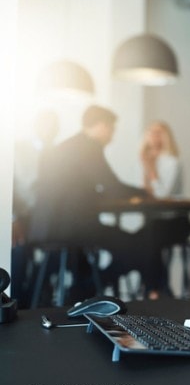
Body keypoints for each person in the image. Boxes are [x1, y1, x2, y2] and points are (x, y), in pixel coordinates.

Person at [29, 105, 158, 302]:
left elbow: (72, 188)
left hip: (46, 228)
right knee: (138, 244)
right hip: (74, 228)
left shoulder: (64, 147)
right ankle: (94, 289)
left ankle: (82, 290)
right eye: (112, 129)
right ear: (101, 126)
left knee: (114, 247)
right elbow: (112, 186)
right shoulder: (88, 146)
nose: (112, 136)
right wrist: (144, 193)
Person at [11, 109, 60, 307]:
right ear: (36, 126)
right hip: (22, 215)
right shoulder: (17, 149)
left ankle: (37, 291)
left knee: (67, 248)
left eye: (53, 126)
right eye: (45, 125)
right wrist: (12, 218)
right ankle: (17, 298)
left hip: (50, 218)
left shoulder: (59, 154)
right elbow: (7, 185)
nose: (49, 130)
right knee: (19, 251)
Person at [138, 121, 190, 300]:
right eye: (151, 132)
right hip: (155, 221)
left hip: (176, 222)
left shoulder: (171, 162)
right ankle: (160, 288)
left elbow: (161, 194)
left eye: (159, 132)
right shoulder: (147, 160)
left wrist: (151, 170)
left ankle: (154, 290)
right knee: (140, 237)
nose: (154, 136)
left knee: (150, 235)